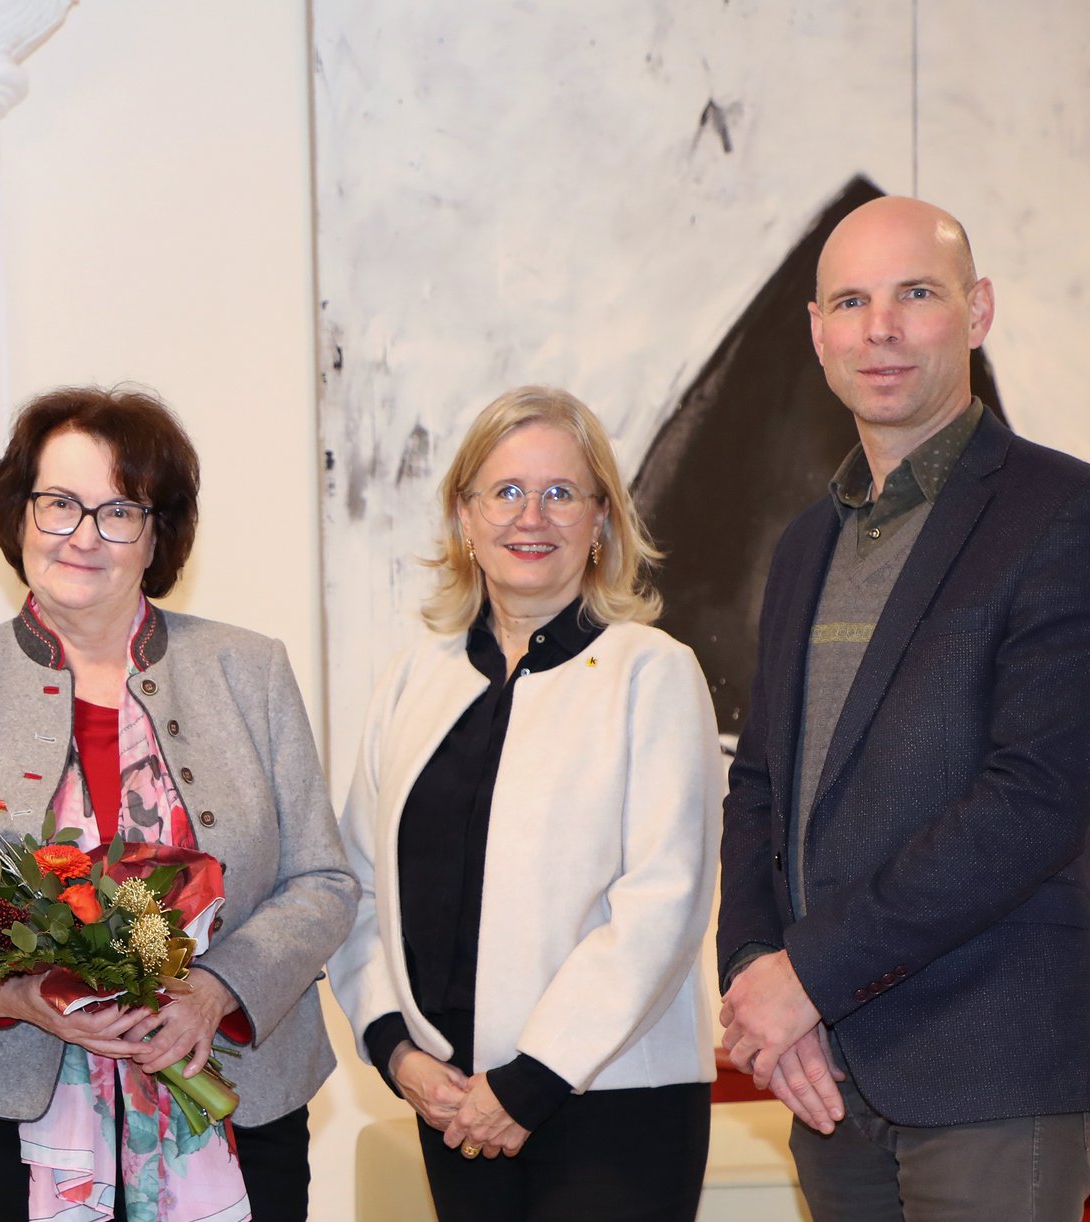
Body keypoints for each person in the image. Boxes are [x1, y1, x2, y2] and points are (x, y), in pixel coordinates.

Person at [0, 386, 356, 1221]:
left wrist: (214, 990)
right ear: (20, 515)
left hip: (236, 1104)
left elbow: (323, 879)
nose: (81, 537)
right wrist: (22, 998)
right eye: (59, 504)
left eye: (117, 511)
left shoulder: (249, 672)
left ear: (157, 534)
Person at [717, 196, 1090, 1219]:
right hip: (827, 1075)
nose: (877, 327)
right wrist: (760, 976)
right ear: (815, 333)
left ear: (974, 313)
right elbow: (758, 788)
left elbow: (1036, 797)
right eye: (849, 300)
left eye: (912, 294)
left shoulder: (1060, 513)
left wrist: (810, 971)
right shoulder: (804, 544)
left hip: (987, 1069)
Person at [328, 386, 722, 1221]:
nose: (530, 517)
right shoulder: (415, 680)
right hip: (451, 1103)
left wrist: (532, 1078)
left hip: (612, 1105)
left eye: (560, 493)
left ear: (602, 521)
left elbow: (663, 903)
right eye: (505, 492)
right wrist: (397, 1049)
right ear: (464, 519)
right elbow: (355, 886)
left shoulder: (650, 672)